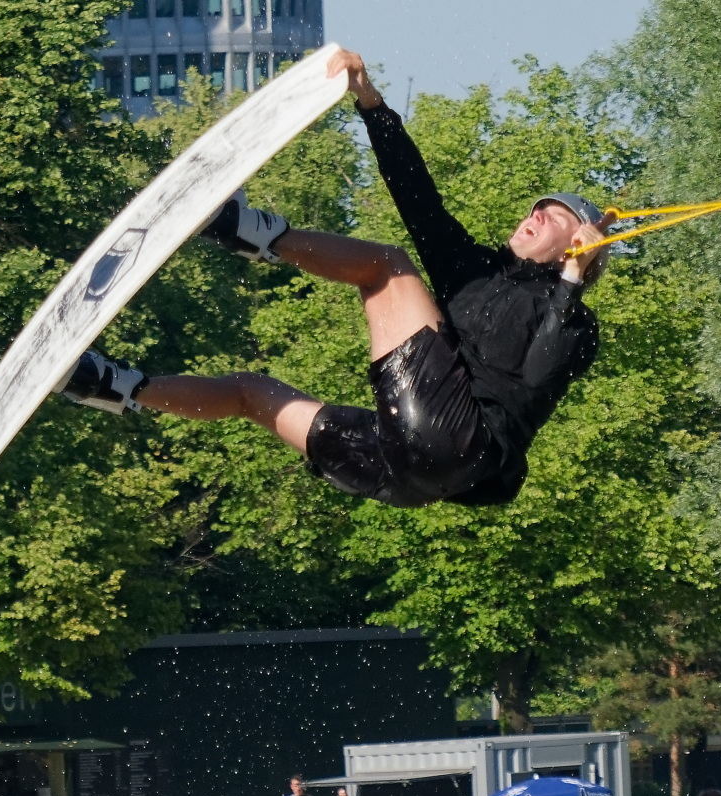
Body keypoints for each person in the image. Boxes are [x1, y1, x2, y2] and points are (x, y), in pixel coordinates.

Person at [58, 49, 609, 511]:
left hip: (460, 444)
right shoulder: (474, 270)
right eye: (537, 208)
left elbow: (539, 370)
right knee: (252, 393)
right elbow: (416, 195)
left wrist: (570, 280)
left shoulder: (577, 323)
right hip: (406, 472)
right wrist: (371, 102)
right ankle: (111, 386)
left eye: (555, 217)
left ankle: (240, 229)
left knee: (388, 267)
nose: (536, 215)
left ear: (577, 246)